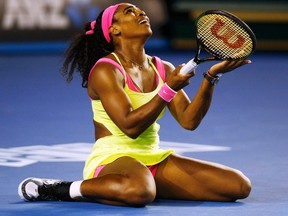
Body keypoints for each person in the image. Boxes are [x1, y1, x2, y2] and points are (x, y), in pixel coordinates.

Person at [18, 3, 252, 207]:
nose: (142, 13)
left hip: (153, 158)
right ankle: (64, 189)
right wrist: (168, 88)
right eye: (130, 11)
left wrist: (210, 78)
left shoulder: (164, 69)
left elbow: (189, 121)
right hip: (112, 158)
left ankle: (137, 184)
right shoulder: (105, 70)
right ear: (114, 29)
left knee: (238, 186)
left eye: (141, 10)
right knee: (140, 191)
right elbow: (129, 128)